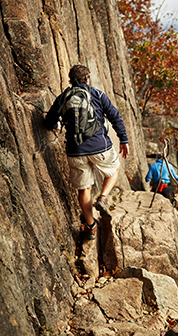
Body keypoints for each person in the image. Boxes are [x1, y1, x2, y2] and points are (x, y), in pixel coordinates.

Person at [44, 65, 129, 240]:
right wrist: (124, 139)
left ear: (70, 81)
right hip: (100, 146)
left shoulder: (64, 97)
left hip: (75, 151)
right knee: (114, 170)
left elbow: (50, 119)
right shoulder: (97, 94)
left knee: (84, 189)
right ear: (87, 79)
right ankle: (103, 198)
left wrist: (55, 125)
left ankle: (90, 227)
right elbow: (114, 115)